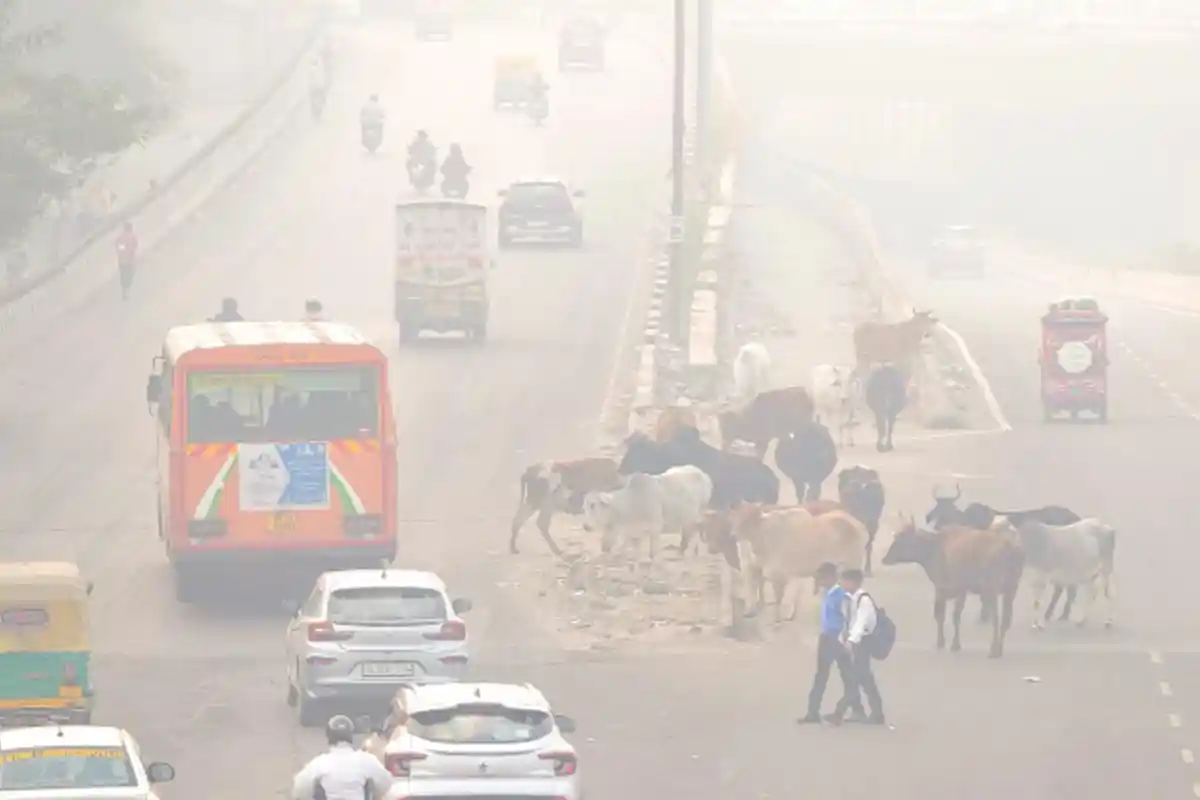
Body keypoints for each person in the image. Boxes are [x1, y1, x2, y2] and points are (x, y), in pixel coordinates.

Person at [797, 562, 865, 725]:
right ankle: (816, 712)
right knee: (832, 675)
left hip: (837, 639)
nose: (820, 582)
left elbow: (849, 618)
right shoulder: (830, 593)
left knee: (837, 676)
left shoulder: (841, 595)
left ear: (832, 577)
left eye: (822, 578)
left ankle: (819, 712)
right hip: (827, 637)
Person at [826, 568, 886, 726]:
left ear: (854, 582)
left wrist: (852, 642)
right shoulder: (850, 599)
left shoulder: (864, 600)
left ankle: (841, 712)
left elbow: (861, 623)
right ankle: (875, 713)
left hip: (863, 643)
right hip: (856, 642)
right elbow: (849, 622)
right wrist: (843, 639)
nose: (842, 584)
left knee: (859, 679)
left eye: (844, 581)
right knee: (863, 679)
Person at [293, 715, 394, 800]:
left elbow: (299, 788)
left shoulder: (321, 762)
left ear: (329, 737)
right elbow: (386, 782)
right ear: (351, 735)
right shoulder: (365, 760)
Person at [115, 222, 138, 300]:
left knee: (123, 275)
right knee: (129, 275)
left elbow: (118, 247)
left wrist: (123, 249)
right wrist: (129, 250)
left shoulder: (120, 237)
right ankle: (126, 289)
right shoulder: (132, 236)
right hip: (129, 260)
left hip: (122, 260)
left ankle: (124, 290)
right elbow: (135, 246)